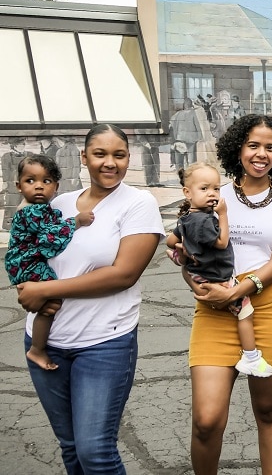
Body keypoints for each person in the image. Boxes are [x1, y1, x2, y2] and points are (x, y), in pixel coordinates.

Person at [16, 123, 164, 474]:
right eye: (100, 154)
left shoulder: (139, 203)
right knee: (71, 449)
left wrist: (45, 291)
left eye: (119, 155)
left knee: (95, 451)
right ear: (84, 158)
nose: (109, 163)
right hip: (45, 340)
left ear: (129, 158)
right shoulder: (61, 202)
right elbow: (31, 250)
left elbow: (123, 274)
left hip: (104, 343)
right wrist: (26, 283)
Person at [179, 114, 272, 475]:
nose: (261, 153)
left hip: (271, 307)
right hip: (215, 310)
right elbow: (188, 248)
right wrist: (196, 283)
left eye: (270, 147)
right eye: (253, 145)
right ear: (238, 147)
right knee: (206, 419)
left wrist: (240, 288)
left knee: (268, 412)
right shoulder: (212, 193)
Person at [166, 162, 272, 377]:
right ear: (187, 192)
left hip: (200, 273)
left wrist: (179, 249)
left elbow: (170, 240)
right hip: (218, 277)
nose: (212, 193)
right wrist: (223, 214)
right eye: (204, 189)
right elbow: (222, 242)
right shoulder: (205, 221)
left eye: (215, 188)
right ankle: (251, 357)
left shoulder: (187, 218)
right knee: (245, 312)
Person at [5, 154, 94, 370]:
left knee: (49, 304)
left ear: (56, 186)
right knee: (50, 304)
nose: (38, 187)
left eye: (46, 181)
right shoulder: (31, 211)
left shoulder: (39, 209)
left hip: (24, 261)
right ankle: (37, 349)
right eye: (30, 181)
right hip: (28, 264)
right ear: (18, 186)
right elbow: (48, 240)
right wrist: (76, 221)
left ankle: (38, 346)